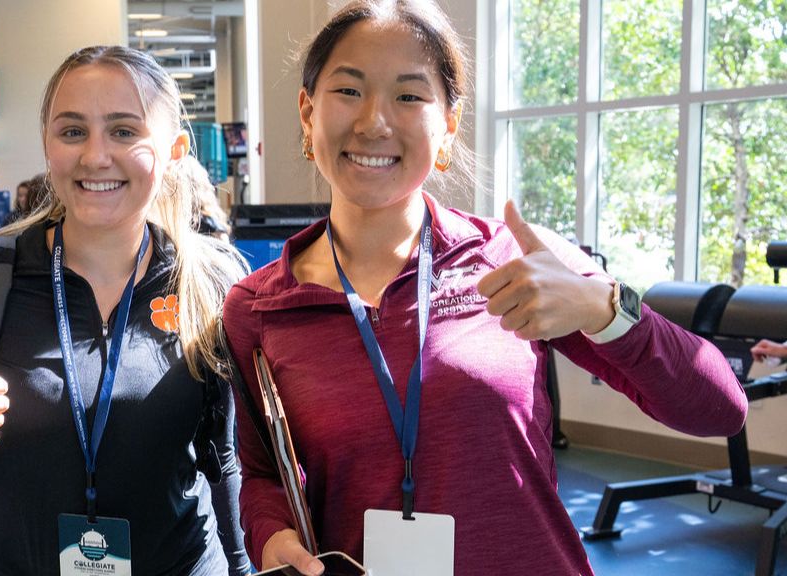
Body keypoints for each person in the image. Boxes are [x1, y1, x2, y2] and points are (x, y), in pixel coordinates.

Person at [221, 1, 748, 574]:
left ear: (448, 125)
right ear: (307, 113)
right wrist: (270, 534)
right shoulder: (258, 308)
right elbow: (262, 472)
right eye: (349, 90)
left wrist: (603, 307)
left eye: (409, 96)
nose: (374, 122)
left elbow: (720, 408)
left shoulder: (514, 259)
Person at [0, 45, 250, 575]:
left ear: (174, 151)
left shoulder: (212, 283)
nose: (96, 156)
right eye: (73, 131)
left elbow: (228, 463)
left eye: (124, 131)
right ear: (48, 145)